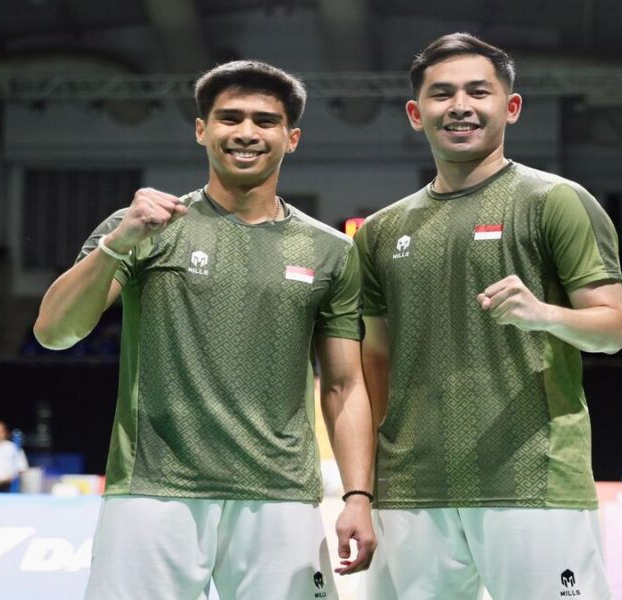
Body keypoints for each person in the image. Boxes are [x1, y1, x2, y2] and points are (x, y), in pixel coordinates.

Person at [33, 60, 375, 600]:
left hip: (279, 493)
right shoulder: (143, 226)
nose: (246, 132)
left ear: (292, 138)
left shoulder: (331, 251)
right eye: (229, 118)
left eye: (265, 121)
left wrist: (357, 496)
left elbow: (343, 384)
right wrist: (118, 244)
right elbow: (54, 332)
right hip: (153, 489)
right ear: (201, 130)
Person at [355, 33, 622, 599]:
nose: (460, 105)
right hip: (412, 490)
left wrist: (544, 314)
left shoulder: (555, 201)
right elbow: (374, 358)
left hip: (532, 479)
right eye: (442, 94)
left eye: (478, 91)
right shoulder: (380, 231)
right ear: (415, 113)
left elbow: (612, 330)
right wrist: (371, 478)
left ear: (511, 106)